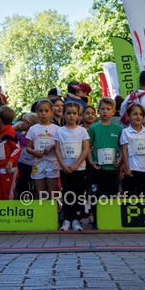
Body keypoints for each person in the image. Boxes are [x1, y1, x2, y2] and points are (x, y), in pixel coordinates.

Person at [55, 102, 90, 231]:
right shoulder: (60, 131)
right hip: (64, 168)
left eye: (74, 113)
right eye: (68, 113)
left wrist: (76, 164)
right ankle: (66, 219)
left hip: (79, 168)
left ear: (78, 116)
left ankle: (76, 218)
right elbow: (58, 150)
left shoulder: (82, 131)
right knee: (67, 193)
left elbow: (85, 149)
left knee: (78, 193)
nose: (71, 116)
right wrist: (63, 165)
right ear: (64, 115)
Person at [87, 97, 123, 199]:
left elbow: (123, 147)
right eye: (102, 109)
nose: (105, 111)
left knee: (111, 196)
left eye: (108, 109)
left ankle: (111, 215)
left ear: (113, 112)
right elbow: (88, 146)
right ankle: (95, 214)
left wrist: (120, 159)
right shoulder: (93, 128)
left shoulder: (118, 128)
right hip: (98, 167)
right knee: (96, 196)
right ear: (98, 111)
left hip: (113, 168)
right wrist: (91, 161)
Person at [25, 99, 60, 202]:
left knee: (52, 192)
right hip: (37, 163)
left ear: (51, 112)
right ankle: (43, 215)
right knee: (40, 192)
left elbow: (60, 146)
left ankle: (53, 215)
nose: (43, 114)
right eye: (40, 111)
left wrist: (52, 146)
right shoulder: (33, 129)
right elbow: (28, 147)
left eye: (46, 111)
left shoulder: (57, 129)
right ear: (36, 112)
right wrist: (34, 152)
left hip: (53, 163)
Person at [119, 103, 145, 195]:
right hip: (131, 169)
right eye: (135, 114)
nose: (138, 116)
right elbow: (124, 150)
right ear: (128, 117)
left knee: (142, 195)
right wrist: (126, 167)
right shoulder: (125, 132)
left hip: (144, 169)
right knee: (130, 195)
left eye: (141, 114)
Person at [0, 105, 20, 200]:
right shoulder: (2, 133)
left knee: (8, 195)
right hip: (1, 167)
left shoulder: (9, 132)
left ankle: (10, 213)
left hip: (9, 168)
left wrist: (11, 161)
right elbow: (7, 149)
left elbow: (17, 148)